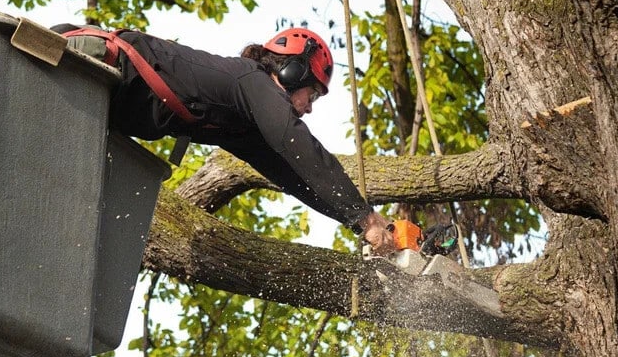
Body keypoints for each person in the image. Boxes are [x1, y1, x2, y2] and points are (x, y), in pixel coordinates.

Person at [52, 23, 395, 255]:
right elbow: (297, 143)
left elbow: (296, 175)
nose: (308, 109)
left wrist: (356, 221)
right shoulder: (253, 80)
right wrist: (366, 217)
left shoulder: (242, 124)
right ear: (294, 71)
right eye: (312, 95)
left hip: (96, 100)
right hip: (85, 61)